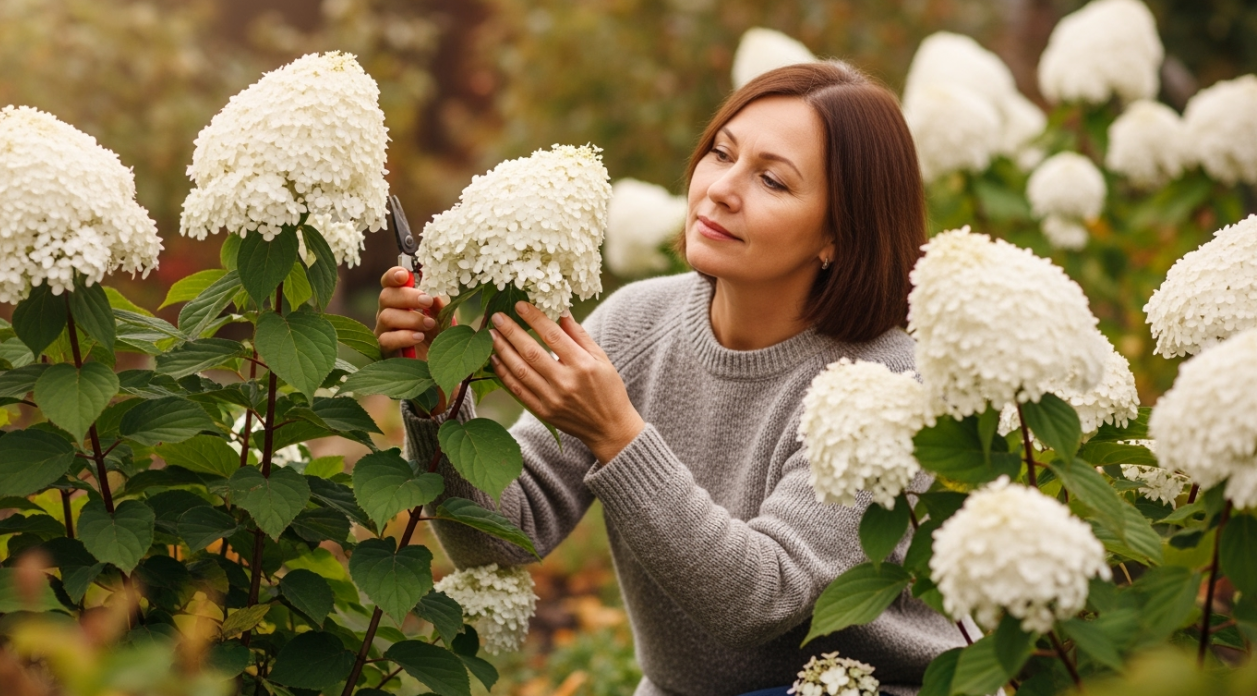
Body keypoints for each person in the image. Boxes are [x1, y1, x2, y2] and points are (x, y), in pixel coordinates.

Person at [374, 61, 962, 696]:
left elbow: (761, 600)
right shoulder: (636, 321)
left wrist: (618, 435)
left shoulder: (886, 384)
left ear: (839, 234)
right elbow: (505, 534)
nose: (721, 189)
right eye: (721, 152)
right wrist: (432, 398)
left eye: (771, 179)